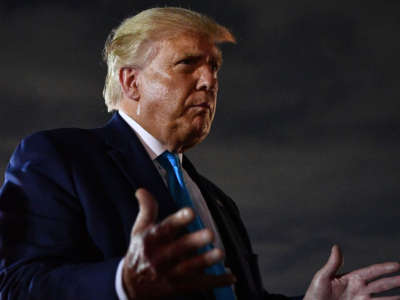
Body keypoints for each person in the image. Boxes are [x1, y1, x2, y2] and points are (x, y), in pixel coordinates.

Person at [0, 7, 399, 300]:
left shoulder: (217, 200)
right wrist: (123, 281)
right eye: (188, 64)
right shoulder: (57, 157)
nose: (209, 81)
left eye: (214, 67)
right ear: (131, 81)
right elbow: (14, 286)